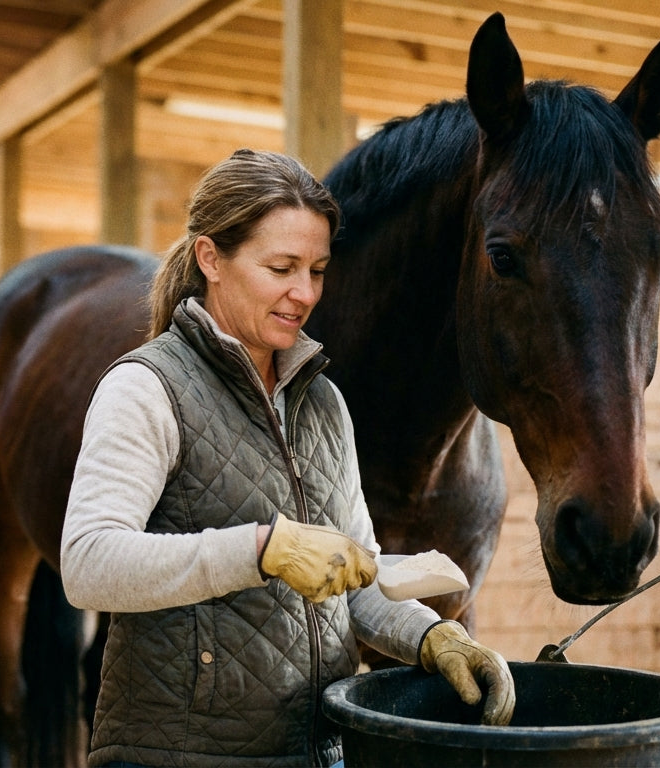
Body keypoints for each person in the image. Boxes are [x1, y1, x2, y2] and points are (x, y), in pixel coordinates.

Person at [60, 148, 515, 767]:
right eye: (281, 267)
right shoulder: (146, 388)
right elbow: (88, 564)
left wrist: (432, 636)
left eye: (318, 270)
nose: (303, 293)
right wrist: (259, 550)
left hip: (314, 754)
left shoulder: (325, 402)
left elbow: (357, 579)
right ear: (210, 258)